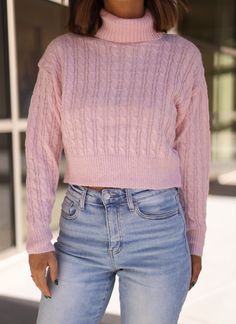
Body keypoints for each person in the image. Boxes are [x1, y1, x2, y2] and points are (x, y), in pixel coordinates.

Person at [25, 0, 211, 323]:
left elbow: (195, 155)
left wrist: (195, 238)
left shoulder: (182, 58)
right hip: (80, 229)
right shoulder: (63, 55)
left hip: (158, 231)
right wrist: (37, 236)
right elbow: (41, 149)